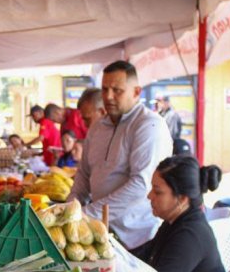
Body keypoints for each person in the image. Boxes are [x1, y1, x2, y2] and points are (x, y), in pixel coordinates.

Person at [68, 60, 172, 253]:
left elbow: (141, 184)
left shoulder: (149, 125)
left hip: (137, 236)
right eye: (105, 89)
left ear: (136, 92)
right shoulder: (97, 127)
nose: (109, 96)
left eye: (117, 90)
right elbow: (83, 174)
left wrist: (87, 213)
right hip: (101, 231)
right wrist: (70, 207)